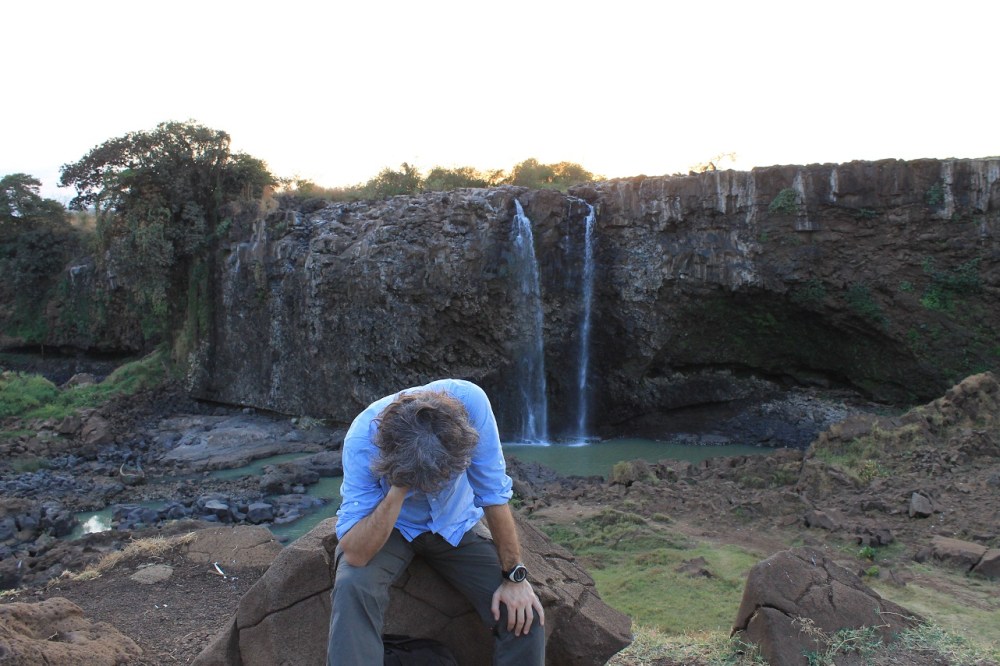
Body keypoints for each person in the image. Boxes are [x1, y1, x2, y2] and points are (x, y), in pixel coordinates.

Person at [327, 378, 546, 665]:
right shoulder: (362, 439)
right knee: (352, 586)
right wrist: (400, 485)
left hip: (455, 524)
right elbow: (355, 554)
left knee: (524, 614)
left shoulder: (471, 403)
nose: (432, 487)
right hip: (392, 527)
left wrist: (515, 576)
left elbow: (493, 493)